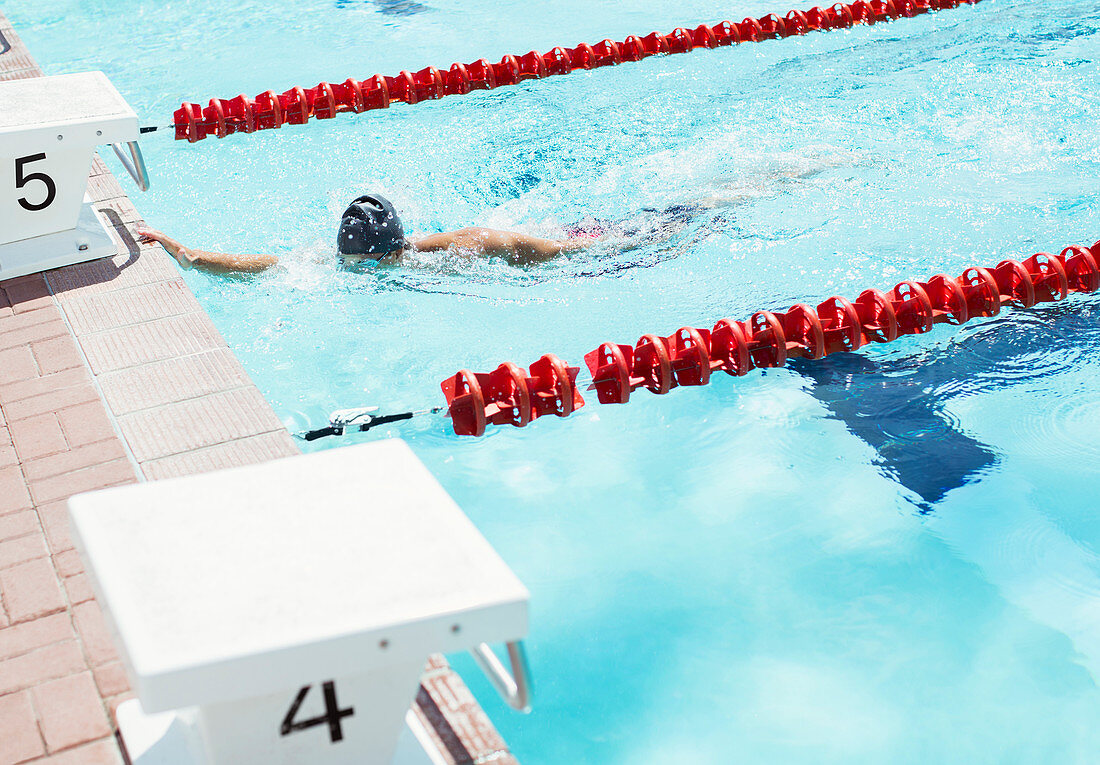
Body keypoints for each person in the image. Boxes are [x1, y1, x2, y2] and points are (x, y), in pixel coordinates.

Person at [137, 194, 595, 274]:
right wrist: (184, 251)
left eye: (368, 264)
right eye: (351, 264)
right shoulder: (334, 260)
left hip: (553, 239)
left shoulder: (458, 247)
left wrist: (625, 244)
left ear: (394, 252)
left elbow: (537, 248)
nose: (358, 273)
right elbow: (257, 266)